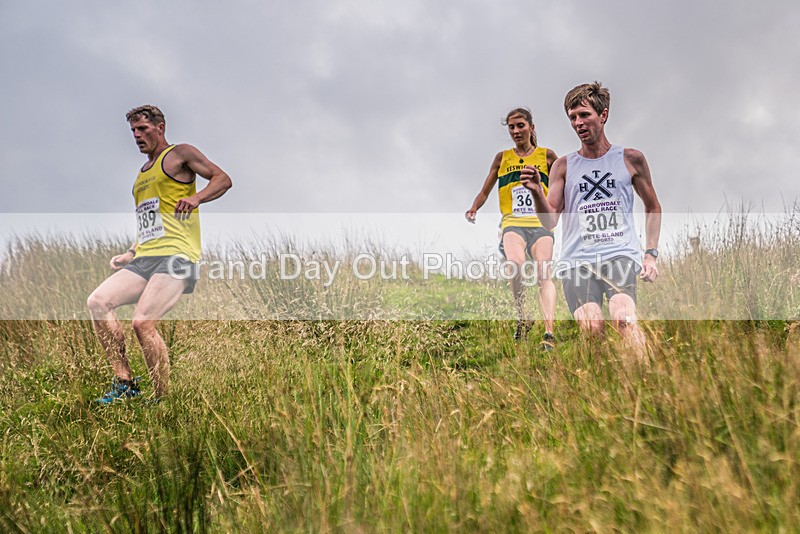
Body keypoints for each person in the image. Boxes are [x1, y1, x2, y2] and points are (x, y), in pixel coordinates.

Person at [87, 105, 232, 402]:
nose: (137, 136)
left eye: (143, 129)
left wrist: (196, 197)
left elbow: (222, 179)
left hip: (177, 256)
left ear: (160, 127)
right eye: (133, 132)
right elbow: (150, 220)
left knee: (142, 323)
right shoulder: (141, 175)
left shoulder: (180, 154)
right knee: (98, 302)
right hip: (146, 257)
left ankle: (162, 399)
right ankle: (125, 381)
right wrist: (131, 251)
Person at [521, 82, 662, 351]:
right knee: (592, 327)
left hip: (619, 252)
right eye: (572, 117)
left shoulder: (631, 159)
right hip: (578, 260)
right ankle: (601, 389)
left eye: (584, 115)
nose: (578, 123)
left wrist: (650, 254)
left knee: (624, 319)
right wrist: (537, 191)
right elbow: (550, 220)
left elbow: (653, 206)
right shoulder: (564, 165)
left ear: (603, 115)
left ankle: (648, 381)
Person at [466, 108, 558, 349]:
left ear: (531, 127)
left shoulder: (547, 156)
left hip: (540, 224)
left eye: (520, 125)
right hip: (512, 223)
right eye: (511, 127)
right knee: (515, 265)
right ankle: (523, 316)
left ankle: (549, 333)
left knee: (543, 273)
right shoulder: (502, 158)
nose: (516, 131)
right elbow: (486, 189)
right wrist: (474, 207)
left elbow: (563, 186)